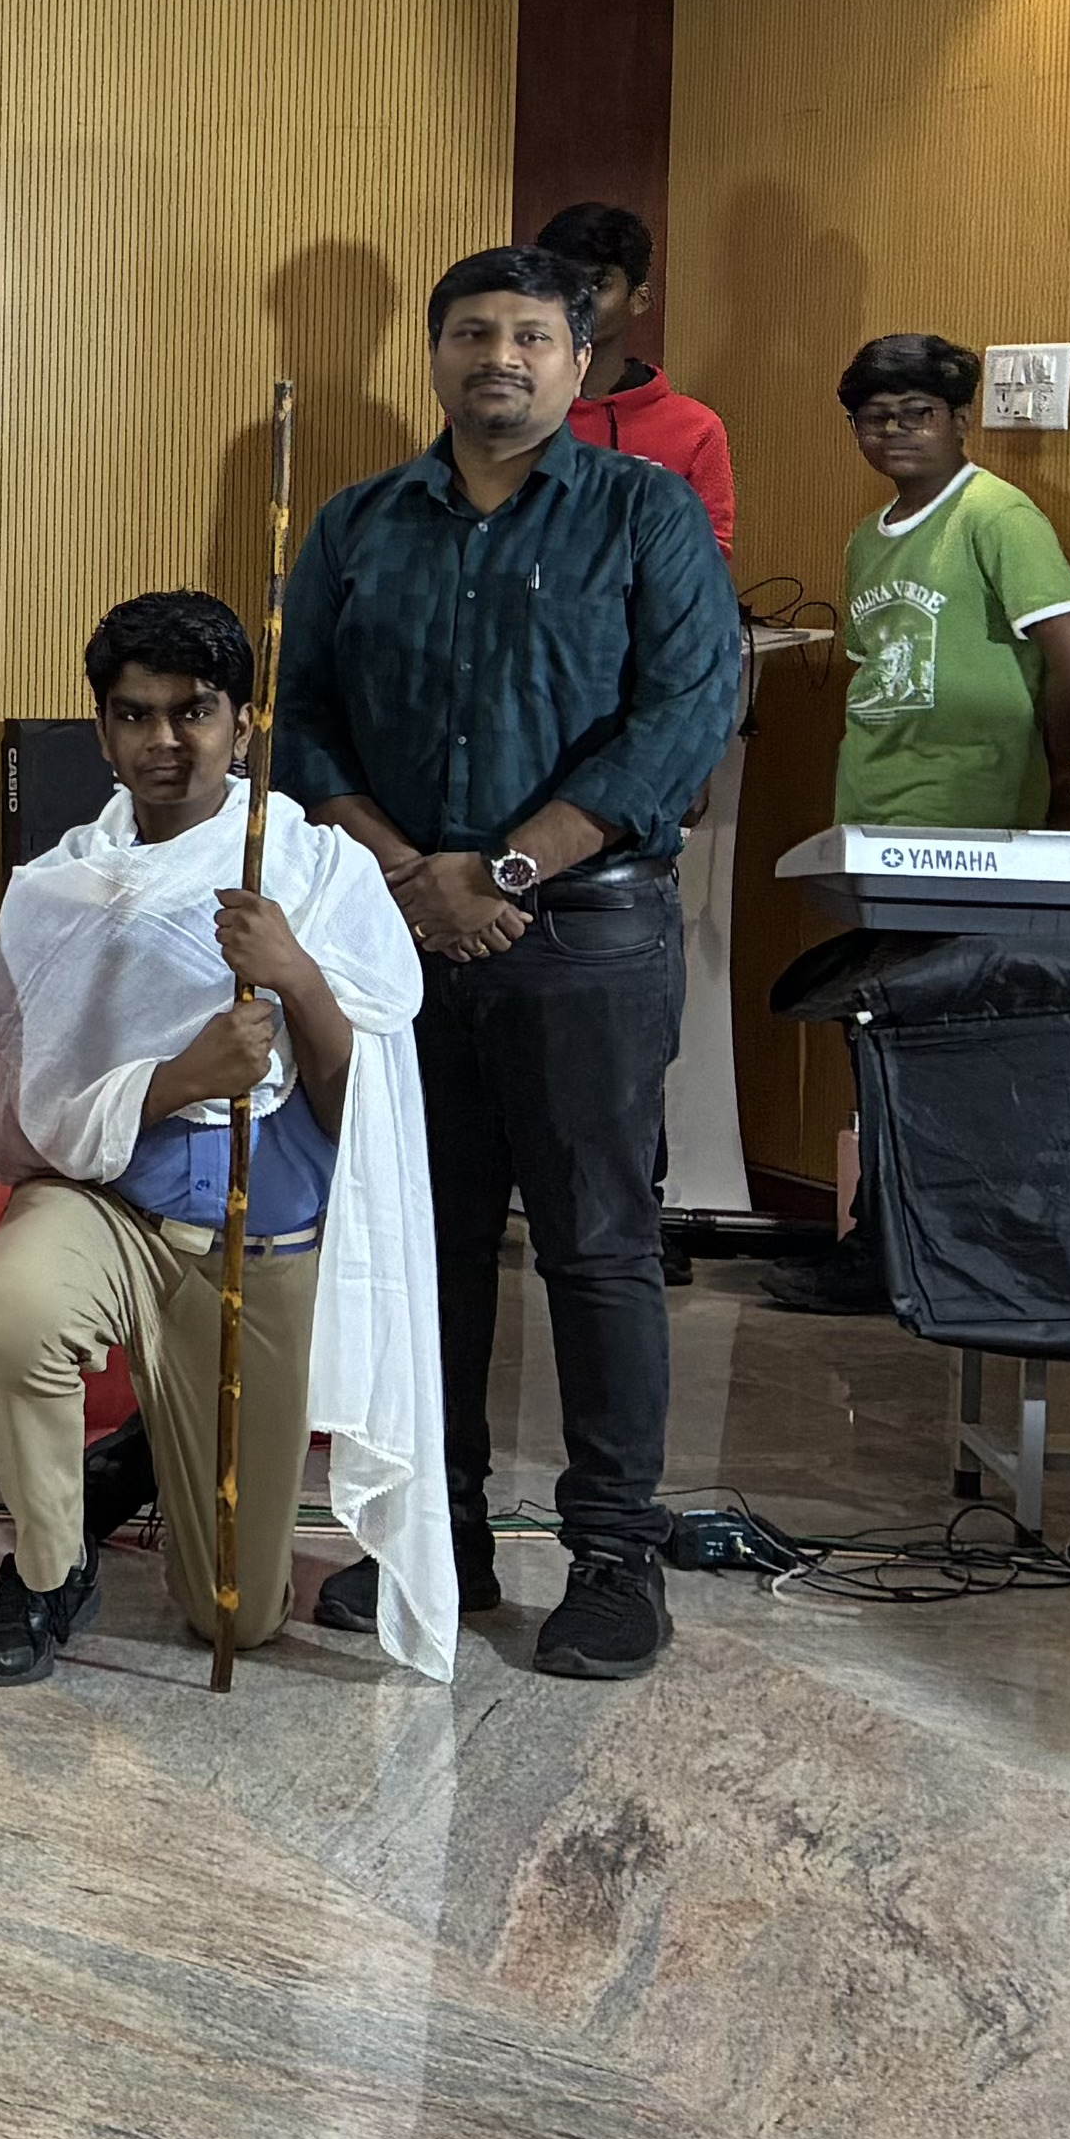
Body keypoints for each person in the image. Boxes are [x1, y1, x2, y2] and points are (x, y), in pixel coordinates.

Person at [282, 244, 740, 1680]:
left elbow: (685, 712)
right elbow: (303, 722)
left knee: (599, 1246)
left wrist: (507, 868)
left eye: (532, 336)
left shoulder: (646, 513)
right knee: (428, 1247)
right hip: (400, 934)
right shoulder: (360, 523)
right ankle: (442, 1537)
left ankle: (613, 1558)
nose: (501, 358)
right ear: (435, 355)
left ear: (579, 360)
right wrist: (409, 876)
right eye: (473, 332)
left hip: (586, 932)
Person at [0, 591, 451, 1688]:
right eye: (136, 715)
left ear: (244, 722)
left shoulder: (318, 872)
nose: (165, 741)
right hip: (107, 1205)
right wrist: (183, 1078)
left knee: (238, 1614)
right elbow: (30, 1112)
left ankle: (146, 1453)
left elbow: (363, 1115)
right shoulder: (56, 892)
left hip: (254, 1239)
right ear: (102, 730)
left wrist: (297, 977)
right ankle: (48, 1568)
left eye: (195, 712)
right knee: (10, 1317)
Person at [834, 332, 1070, 830]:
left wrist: (1047, 759)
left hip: (971, 804)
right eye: (875, 417)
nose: (894, 429)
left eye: (917, 412)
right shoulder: (865, 540)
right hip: (866, 799)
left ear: (960, 420)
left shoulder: (996, 515)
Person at [541, 200, 738, 547]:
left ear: (639, 298)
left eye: (598, 284)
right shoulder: (501, 411)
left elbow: (706, 559)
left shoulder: (695, 429)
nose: (576, 301)